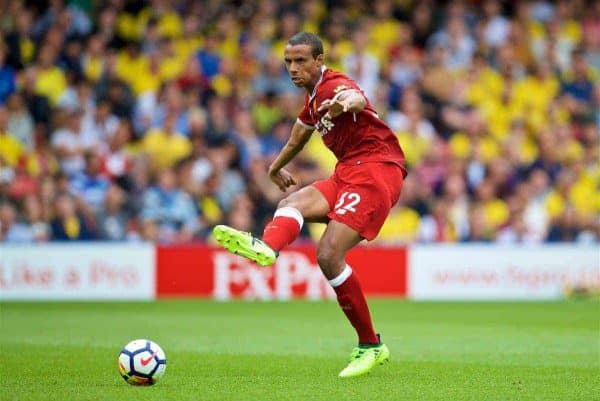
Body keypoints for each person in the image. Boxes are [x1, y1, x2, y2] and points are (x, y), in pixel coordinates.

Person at [213, 32, 406, 378]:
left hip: (376, 170)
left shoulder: (334, 87)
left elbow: (355, 98)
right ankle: (268, 247)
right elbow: (297, 138)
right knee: (292, 202)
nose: (293, 68)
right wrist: (274, 169)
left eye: (301, 60)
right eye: (288, 61)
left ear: (319, 60)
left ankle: (371, 346)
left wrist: (345, 103)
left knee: (329, 253)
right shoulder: (313, 101)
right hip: (348, 171)